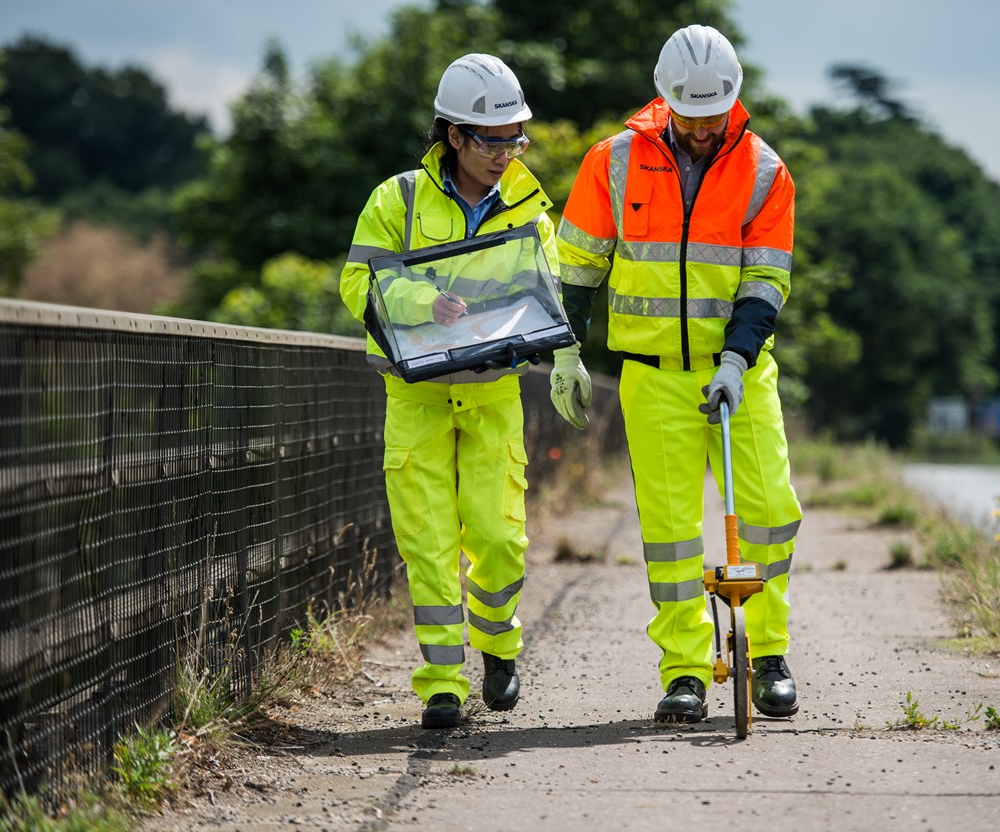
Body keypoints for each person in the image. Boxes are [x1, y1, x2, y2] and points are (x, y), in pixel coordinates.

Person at [550, 24, 802, 723]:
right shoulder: (612, 161)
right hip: (652, 376)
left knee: (771, 515)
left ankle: (768, 653)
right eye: (688, 114)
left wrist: (734, 359)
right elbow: (575, 270)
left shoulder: (764, 172)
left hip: (740, 374)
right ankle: (687, 671)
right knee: (669, 533)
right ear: (664, 102)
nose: (701, 127)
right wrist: (565, 351)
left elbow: (764, 283)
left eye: (713, 113)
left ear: (734, 100)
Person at [339, 54, 558, 730]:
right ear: (455, 136)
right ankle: (440, 684)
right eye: (493, 140)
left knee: (497, 537)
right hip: (417, 398)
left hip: (493, 394)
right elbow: (358, 285)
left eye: (515, 137)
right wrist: (421, 302)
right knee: (428, 544)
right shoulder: (395, 200)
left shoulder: (530, 208)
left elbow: (544, 292)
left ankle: (497, 646)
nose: (507, 153)